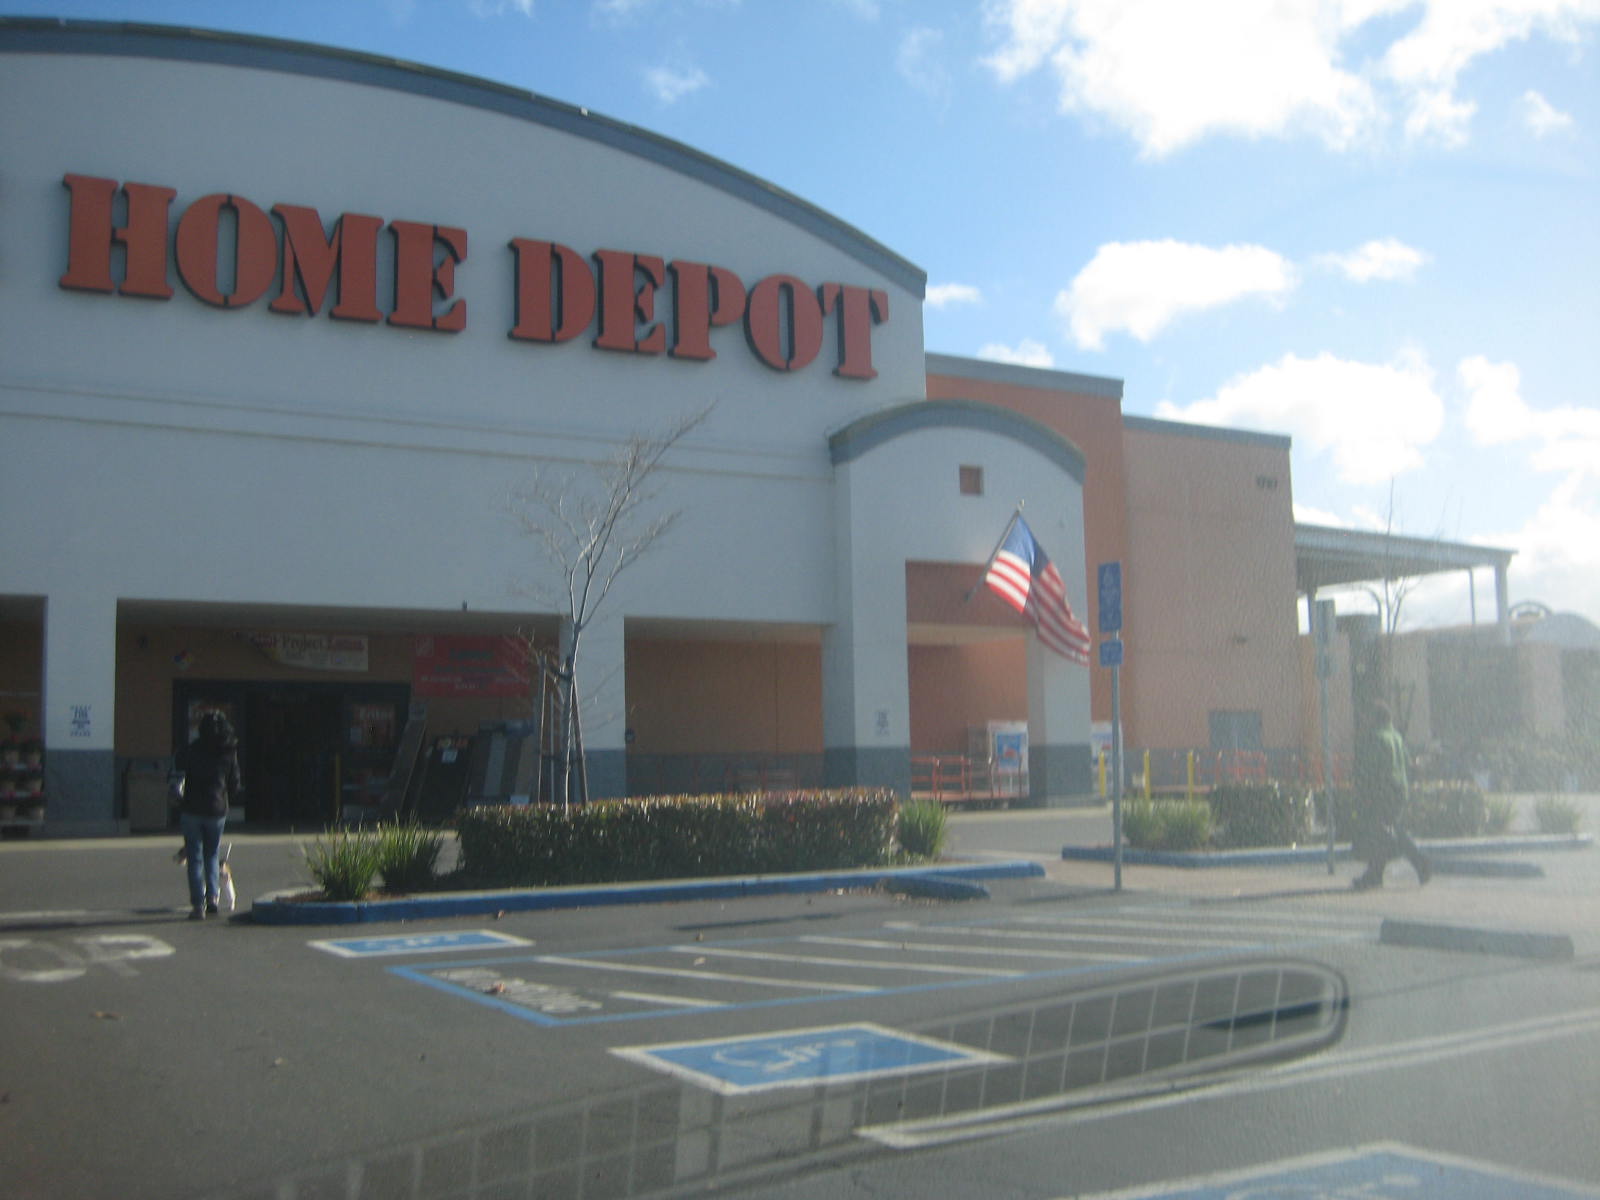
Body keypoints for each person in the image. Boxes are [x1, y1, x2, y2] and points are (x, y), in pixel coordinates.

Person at [1350, 698, 1430, 890]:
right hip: (1399, 790)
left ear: (1374, 718)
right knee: (1386, 831)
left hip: (1381, 791)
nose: (1364, 720)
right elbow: (1408, 764)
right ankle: (1375, 874)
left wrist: (1361, 792)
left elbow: (1367, 769)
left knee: (1381, 830)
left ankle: (1419, 861)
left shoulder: (1374, 738)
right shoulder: (1396, 736)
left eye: (1367, 716)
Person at [172, 712, 243, 919]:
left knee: (194, 857)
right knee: (211, 854)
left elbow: (178, 774)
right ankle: (213, 897)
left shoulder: (191, 750)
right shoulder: (228, 752)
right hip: (217, 809)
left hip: (192, 809)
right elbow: (235, 784)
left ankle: (197, 905)